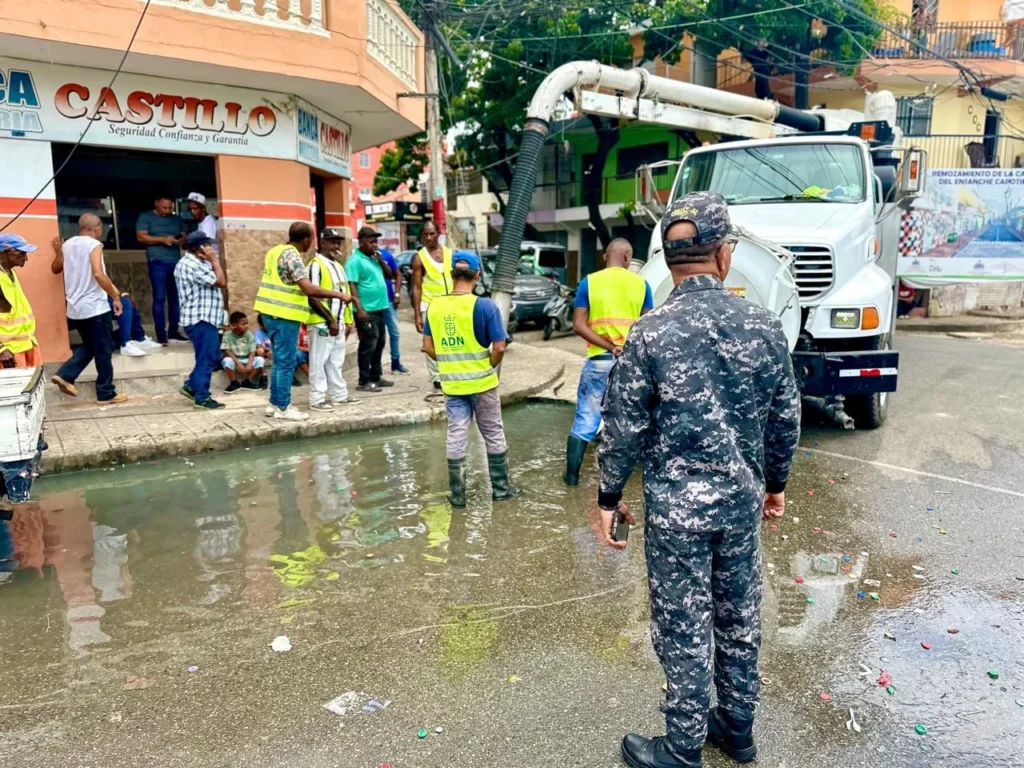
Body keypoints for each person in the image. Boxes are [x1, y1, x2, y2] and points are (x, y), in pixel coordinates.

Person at [597, 193, 801, 768]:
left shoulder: (650, 331)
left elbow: (623, 426)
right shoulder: (762, 325)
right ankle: (737, 729)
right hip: (739, 505)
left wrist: (608, 498)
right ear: (723, 255)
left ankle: (683, 748)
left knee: (684, 621)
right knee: (738, 616)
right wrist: (775, 484)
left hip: (677, 515)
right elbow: (785, 418)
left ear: (668, 258)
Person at [422, 251, 515, 508]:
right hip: (483, 384)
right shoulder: (484, 306)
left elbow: (428, 347)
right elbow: (499, 347)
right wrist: (489, 365)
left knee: (456, 434)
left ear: (452, 275)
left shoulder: (435, 306)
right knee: (493, 433)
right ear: (477, 275)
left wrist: (450, 361)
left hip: (452, 385)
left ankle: (458, 495)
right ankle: (501, 490)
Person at [564, 238, 653, 486]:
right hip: (630, 365)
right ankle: (621, 482)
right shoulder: (641, 285)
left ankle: (571, 479)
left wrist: (608, 346)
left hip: (599, 362)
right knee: (630, 421)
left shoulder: (589, 283)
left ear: (606, 257)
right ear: (628, 257)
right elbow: (647, 327)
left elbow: (579, 325)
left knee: (585, 420)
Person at [253, 222, 352, 421]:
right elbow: (308, 288)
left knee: (279, 361)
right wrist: (338, 295)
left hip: (269, 313)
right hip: (284, 315)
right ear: (306, 239)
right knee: (285, 363)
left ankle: (274, 403)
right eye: (312, 239)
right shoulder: (292, 256)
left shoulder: (274, 251)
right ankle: (284, 407)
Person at [49, 214, 128, 404]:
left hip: (75, 308)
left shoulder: (68, 245)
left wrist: (59, 252)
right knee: (104, 349)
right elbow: (99, 274)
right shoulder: (94, 245)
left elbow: (55, 268)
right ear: (98, 227)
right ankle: (106, 392)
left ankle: (66, 375)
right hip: (95, 307)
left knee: (91, 345)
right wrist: (115, 296)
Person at [50, 234, 158, 358]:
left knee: (127, 302)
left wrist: (118, 295)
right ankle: (127, 342)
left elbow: (103, 278)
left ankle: (136, 339)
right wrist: (60, 253)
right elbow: (56, 269)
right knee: (95, 346)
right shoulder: (76, 250)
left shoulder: (91, 252)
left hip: (94, 303)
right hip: (82, 307)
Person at [306, 228, 358, 411]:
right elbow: (312, 296)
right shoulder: (315, 264)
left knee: (336, 361)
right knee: (318, 361)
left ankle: (339, 395)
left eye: (339, 241)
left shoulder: (339, 266)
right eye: (332, 241)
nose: (336, 245)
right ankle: (317, 399)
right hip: (322, 322)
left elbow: (346, 294)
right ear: (322, 242)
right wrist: (330, 320)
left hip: (339, 323)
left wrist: (347, 320)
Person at [175, 231, 227, 410]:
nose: (211, 248)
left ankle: (191, 386)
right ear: (199, 248)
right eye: (208, 245)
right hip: (200, 319)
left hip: (206, 318)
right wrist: (215, 261)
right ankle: (202, 397)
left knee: (211, 356)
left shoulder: (198, 262)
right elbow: (221, 282)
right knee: (207, 358)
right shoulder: (191, 264)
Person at [346, 226, 395, 393]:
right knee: (368, 345)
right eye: (371, 241)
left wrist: (380, 259)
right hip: (366, 311)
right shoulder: (355, 260)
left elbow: (390, 275)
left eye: (376, 242)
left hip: (380, 308)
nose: (374, 245)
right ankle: (364, 380)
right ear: (361, 242)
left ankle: (376, 376)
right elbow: (351, 284)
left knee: (380, 343)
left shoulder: (374, 259)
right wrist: (359, 309)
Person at [136, 195, 186, 345]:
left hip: (175, 262)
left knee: (175, 299)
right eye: (164, 207)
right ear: (156, 203)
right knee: (159, 298)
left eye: (170, 207)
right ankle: (161, 335)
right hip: (157, 261)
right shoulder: (146, 217)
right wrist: (163, 240)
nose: (167, 210)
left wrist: (182, 239)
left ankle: (174, 332)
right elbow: (141, 237)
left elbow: (183, 234)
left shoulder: (176, 219)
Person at [411, 220, 452, 392]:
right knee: (431, 342)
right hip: (430, 305)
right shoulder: (419, 258)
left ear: (438, 234)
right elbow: (416, 286)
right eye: (426, 234)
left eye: (432, 233)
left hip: (450, 304)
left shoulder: (449, 253)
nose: (429, 237)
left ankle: (450, 372)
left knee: (449, 340)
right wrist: (417, 315)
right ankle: (436, 378)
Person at [0, 234, 41, 369]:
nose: (26, 258)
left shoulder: (9, 273)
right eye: (21, 253)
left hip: (25, 345)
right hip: (8, 352)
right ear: (6, 252)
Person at [378, 245, 410, 375]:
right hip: (373, 303)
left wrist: (397, 294)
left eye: (375, 241)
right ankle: (375, 365)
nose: (374, 244)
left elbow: (397, 274)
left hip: (389, 300)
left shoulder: (385, 255)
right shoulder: (363, 258)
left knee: (394, 333)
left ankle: (395, 362)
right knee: (377, 336)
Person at [221, 311, 265, 393]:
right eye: (243, 324)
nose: (246, 326)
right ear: (234, 325)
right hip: (234, 359)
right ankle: (234, 382)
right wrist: (238, 364)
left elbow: (252, 351)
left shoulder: (249, 335)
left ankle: (248, 381)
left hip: (246, 358)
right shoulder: (227, 334)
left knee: (260, 360)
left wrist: (249, 364)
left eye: (247, 323)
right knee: (227, 361)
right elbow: (227, 351)